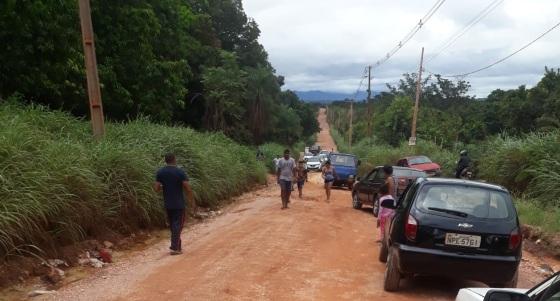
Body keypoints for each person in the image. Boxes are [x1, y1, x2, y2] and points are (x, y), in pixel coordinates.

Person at [154, 153, 194, 255]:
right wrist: (191, 200)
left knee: (173, 225)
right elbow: (187, 187)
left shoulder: (160, 172)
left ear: (165, 160)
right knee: (178, 225)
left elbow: (156, 189)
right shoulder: (180, 172)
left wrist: (165, 186)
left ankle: (177, 246)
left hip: (168, 204)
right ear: (174, 160)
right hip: (179, 204)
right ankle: (175, 248)